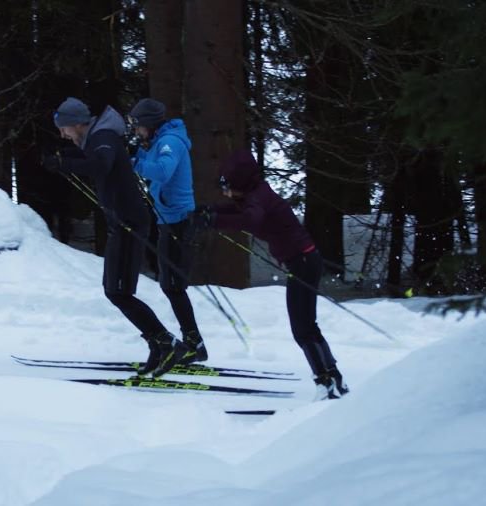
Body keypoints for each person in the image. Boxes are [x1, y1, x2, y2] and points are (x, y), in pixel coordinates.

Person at [42, 97, 187, 377]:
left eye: (64, 128)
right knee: (116, 291)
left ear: (77, 123)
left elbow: (100, 165)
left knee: (118, 292)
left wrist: (62, 163)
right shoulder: (98, 138)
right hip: (122, 223)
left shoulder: (103, 136)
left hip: (129, 223)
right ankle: (159, 344)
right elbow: (93, 158)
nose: (63, 134)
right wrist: (62, 156)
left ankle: (166, 343)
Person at [196, 149, 349, 400]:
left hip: (302, 262)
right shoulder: (256, 193)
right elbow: (238, 210)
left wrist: (214, 221)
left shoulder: (257, 199)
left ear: (240, 183)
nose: (225, 193)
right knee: (307, 326)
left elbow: (249, 220)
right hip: (305, 260)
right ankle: (333, 378)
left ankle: (326, 382)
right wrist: (210, 211)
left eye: (228, 187)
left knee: (302, 329)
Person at [128, 98, 207, 364]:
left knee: (173, 286)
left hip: (178, 221)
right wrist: (136, 154)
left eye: (138, 125)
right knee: (171, 285)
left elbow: (162, 171)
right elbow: (150, 162)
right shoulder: (160, 141)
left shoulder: (170, 141)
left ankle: (195, 344)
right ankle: (194, 342)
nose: (136, 130)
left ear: (149, 124)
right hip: (168, 219)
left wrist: (133, 162)